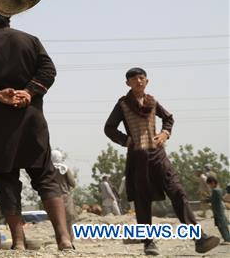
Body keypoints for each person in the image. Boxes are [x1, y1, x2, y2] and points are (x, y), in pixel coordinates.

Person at [0, 2, 73, 251]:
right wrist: (29, 92)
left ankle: (19, 242)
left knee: (6, 180)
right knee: (45, 177)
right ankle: (64, 239)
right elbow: (48, 70)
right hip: (31, 121)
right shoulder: (30, 41)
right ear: (8, 15)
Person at [104, 67, 220, 256]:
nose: (138, 82)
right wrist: (126, 140)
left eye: (141, 78)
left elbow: (168, 119)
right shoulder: (123, 104)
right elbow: (109, 128)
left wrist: (165, 133)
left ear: (147, 81)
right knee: (142, 201)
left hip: (159, 155)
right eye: (133, 79)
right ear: (128, 84)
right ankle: (149, 243)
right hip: (138, 158)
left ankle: (199, 238)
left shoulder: (152, 101)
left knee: (178, 192)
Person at [51, 149, 77, 237]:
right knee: (69, 221)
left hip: (52, 197)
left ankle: (61, 240)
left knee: (58, 221)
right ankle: (69, 241)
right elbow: (73, 183)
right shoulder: (64, 169)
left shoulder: (48, 170)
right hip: (65, 197)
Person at [206, 176, 230, 243]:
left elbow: (212, 200)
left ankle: (227, 239)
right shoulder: (218, 189)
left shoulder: (215, 190)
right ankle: (227, 238)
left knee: (221, 225)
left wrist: (205, 200)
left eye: (209, 184)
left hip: (218, 209)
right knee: (223, 224)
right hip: (219, 209)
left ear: (213, 183)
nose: (209, 186)